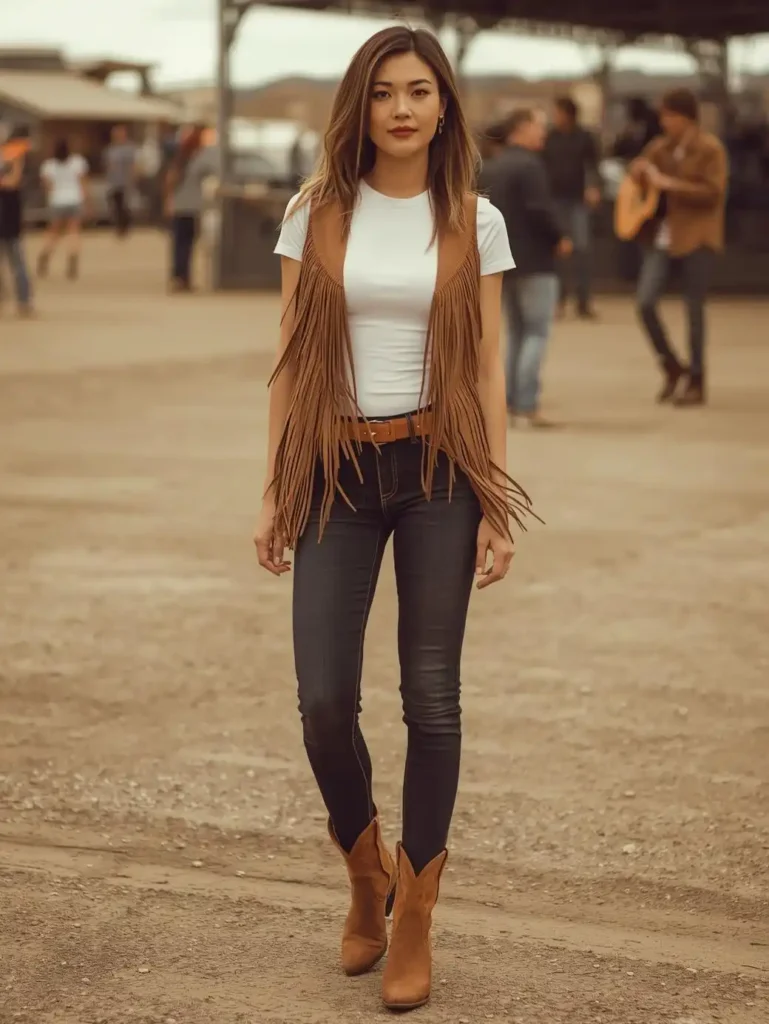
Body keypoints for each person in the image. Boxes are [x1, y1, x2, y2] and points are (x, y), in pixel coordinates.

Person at [254, 25, 534, 1013]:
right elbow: (291, 356)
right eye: (383, 93)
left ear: (445, 105)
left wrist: (496, 496)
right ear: (358, 106)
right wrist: (274, 486)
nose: (402, 108)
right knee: (324, 700)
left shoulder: (475, 217)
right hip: (332, 466)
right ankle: (363, 863)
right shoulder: (314, 212)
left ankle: (413, 908)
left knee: (432, 696)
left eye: (420, 90)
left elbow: (491, 363)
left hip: (440, 475)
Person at [631, 88, 728, 407]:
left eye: (669, 116)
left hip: (698, 235)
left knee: (694, 308)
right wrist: (639, 174)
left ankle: (697, 379)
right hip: (663, 236)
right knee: (645, 302)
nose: (664, 123)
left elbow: (714, 192)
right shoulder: (660, 148)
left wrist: (671, 185)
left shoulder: (710, 149)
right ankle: (672, 364)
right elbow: (642, 177)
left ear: (686, 117)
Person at [480, 109, 571, 426]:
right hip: (536, 262)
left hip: (503, 262)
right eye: (537, 126)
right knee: (536, 332)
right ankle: (527, 405)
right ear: (521, 129)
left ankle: (507, 403)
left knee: (517, 332)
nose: (543, 132)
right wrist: (560, 237)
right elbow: (540, 209)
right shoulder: (530, 166)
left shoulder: (492, 167)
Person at [543, 96, 602, 318]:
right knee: (558, 250)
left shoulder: (585, 137)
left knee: (582, 250)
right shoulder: (550, 137)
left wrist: (593, 187)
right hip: (555, 199)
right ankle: (558, 300)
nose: (555, 117)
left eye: (558, 112)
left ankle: (584, 300)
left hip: (577, 200)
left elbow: (593, 165)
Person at [163, 123, 216, 291]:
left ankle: (178, 277)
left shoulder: (182, 157)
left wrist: (169, 201)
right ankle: (183, 278)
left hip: (180, 205)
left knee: (179, 244)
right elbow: (216, 169)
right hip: (192, 207)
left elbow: (170, 180)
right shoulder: (200, 157)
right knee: (187, 244)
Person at [37, 138, 89, 280]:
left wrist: (52, 197)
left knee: (53, 231)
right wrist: (87, 201)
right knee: (74, 231)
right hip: (74, 199)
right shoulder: (78, 162)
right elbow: (83, 183)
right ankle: (72, 259)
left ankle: (45, 254)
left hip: (57, 200)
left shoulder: (48, 165)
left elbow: (47, 186)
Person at [0, 124, 33, 316]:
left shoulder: (15, 155)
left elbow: (14, 182)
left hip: (11, 217)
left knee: (17, 262)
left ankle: (24, 301)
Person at [104, 124, 137, 238]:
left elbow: (132, 165)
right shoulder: (111, 149)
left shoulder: (129, 148)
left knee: (124, 205)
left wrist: (132, 178)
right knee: (115, 204)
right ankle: (118, 226)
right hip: (113, 181)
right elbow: (108, 165)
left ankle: (124, 227)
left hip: (125, 181)